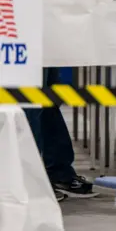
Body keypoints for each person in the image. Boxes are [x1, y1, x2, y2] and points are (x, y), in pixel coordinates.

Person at [23, 67, 97, 202]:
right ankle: (27, 182)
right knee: (31, 103)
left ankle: (59, 175)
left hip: (46, 50)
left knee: (49, 100)